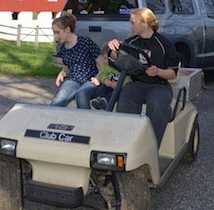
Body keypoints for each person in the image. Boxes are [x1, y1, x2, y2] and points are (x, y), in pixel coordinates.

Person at [108, 7, 180, 147]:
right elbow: (120, 62)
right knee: (126, 98)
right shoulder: (132, 42)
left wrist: (158, 71)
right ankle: (127, 144)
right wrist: (113, 52)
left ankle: (151, 147)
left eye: (133, 22)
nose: (130, 26)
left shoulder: (164, 44)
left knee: (156, 104)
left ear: (145, 23)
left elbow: (173, 73)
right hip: (138, 83)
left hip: (159, 85)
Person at [51, 13, 100, 107]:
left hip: (90, 78)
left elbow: (102, 62)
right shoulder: (63, 48)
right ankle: (53, 118)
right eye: (54, 33)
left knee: (81, 95)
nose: (56, 36)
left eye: (58, 32)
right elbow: (68, 66)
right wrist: (62, 72)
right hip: (74, 79)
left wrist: (99, 78)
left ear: (67, 30)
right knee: (59, 99)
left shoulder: (85, 42)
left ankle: (85, 120)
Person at [85, 44, 132, 110]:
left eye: (107, 58)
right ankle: (98, 99)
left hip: (118, 86)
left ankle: (106, 101)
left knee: (114, 93)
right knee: (102, 89)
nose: (106, 61)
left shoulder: (123, 66)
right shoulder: (106, 65)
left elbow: (128, 79)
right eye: (104, 58)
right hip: (108, 84)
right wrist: (105, 80)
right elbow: (102, 73)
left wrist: (119, 84)